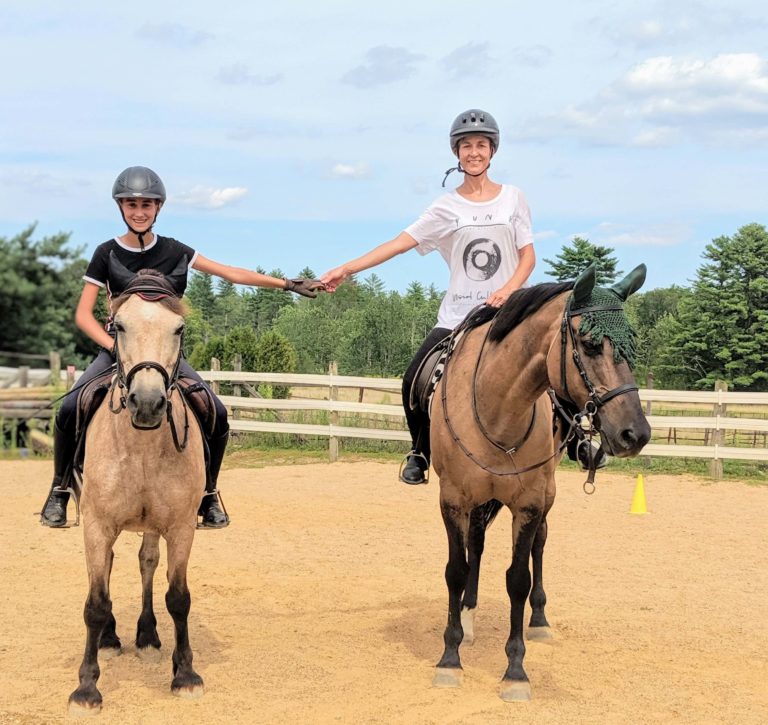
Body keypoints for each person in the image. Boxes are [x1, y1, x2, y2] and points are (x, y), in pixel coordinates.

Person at [40, 166, 324, 527]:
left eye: (146, 204)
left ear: (158, 208)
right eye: (131, 204)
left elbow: (231, 273)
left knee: (216, 412)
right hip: (118, 350)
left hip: (165, 357)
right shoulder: (106, 253)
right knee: (69, 407)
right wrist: (113, 346)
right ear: (120, 207)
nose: (139, 211)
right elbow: (83, 314)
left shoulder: (175, 251)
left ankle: (209, 495)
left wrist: (287, 284)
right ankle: (59, 489)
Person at [321, 109, 537, 484]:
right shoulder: (445, 207)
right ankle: (420, 451)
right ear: (456, 153)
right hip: (458, 316)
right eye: (466, 145)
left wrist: (508, 290)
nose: (474, 152)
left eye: (481, 145)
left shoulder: (513, 199)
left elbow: (528, 256)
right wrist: (347, 268)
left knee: (553, 361)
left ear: (492, 151)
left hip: (507, 312)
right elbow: (398, 244)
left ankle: (577, 441)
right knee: (413, 379)